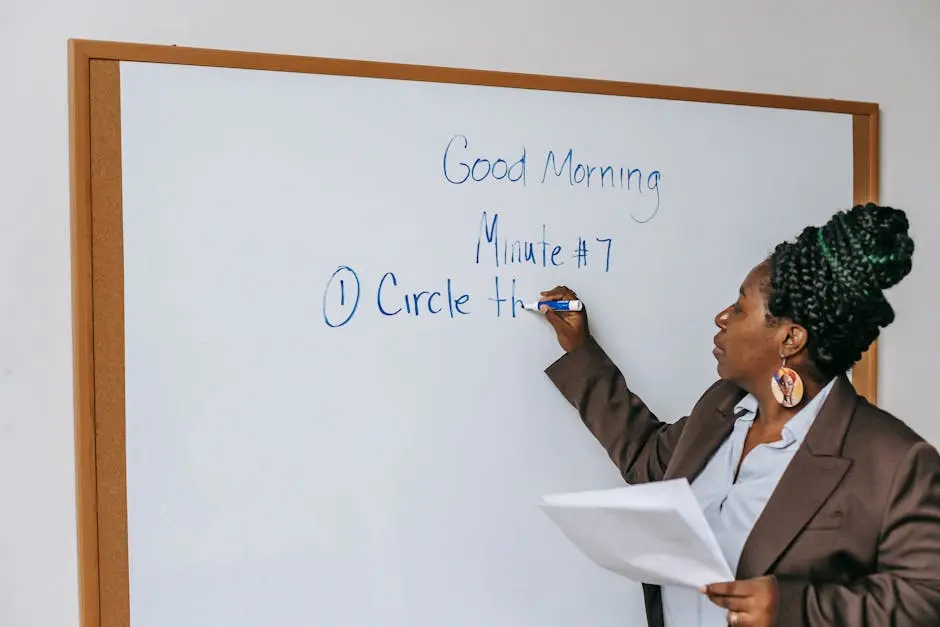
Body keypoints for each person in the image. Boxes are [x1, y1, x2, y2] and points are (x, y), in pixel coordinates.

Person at [539, 203, 940, 627]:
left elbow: (927, 599)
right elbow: (648, 459)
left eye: (740, 308)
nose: (722, 318)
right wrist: (581, 351)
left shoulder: (893, 462)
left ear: (790, 337)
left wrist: (794, 609)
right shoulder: (722, 407)